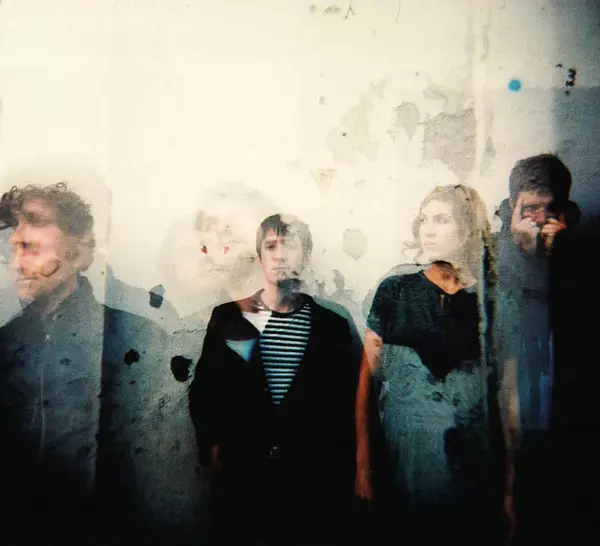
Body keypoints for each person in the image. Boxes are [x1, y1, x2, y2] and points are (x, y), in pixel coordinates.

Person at [0, 182, 189, 545]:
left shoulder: (136, 339)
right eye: (11, 249)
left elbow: (162, 470)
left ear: (79, 251)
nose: (16, 261)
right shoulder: (6, 345)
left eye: (31, 246)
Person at [189, 213, 359, 546]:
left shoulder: (332, 326)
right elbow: (204, 390)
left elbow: (341, 405)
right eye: (271, 246)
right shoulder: (230, 317)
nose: (280, 255)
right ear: (260, 258)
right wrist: (212, 445)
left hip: (308, 482)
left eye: (290, 245)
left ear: (305, 256)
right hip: (243, 476)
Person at [355, 185, 499, 545]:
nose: (428, 230)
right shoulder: (395, 289)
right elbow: (366, 383)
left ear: (466, 229)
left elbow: (504, 396)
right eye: (424, 220)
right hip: (405, 457)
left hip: (468, 459)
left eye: (441, 219)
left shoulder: (486, 298)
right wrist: (363, 464)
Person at [493, 154, 580, 545]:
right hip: (506, 410)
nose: (541, 220)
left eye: (550, 210)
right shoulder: (492, 251)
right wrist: (525, 258)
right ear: (512, 205)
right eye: (530, 209)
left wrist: (557, 258)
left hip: (564, 416)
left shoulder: (578, 250)